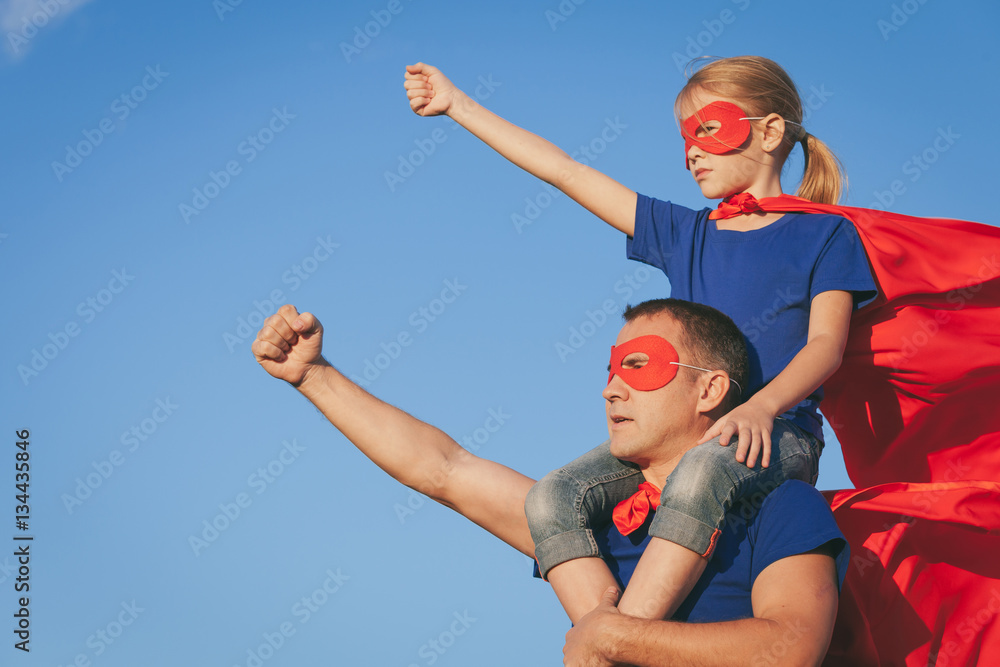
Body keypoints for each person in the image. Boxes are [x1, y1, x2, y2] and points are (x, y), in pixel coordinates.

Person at [403, 56, 877, 621]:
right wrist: (458, 104)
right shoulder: (685, 233)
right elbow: (567, 171)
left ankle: (628, 635)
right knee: (552, 496)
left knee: (704, 469)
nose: (692, 151)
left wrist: (762, 408)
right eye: (685, 137)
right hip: (679, 436)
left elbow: (826, 344)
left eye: (708, 128)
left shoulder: (826, 234)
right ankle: (601, 631)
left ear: (770, 131)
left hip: (777, 437)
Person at [252, 298, 849, 665]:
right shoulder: (586, 524)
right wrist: (313, 377)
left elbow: (791, 646)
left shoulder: (779, 507)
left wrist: (613, 638)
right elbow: (444, 470)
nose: (612, 388)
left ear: (710, 390)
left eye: (638, 367)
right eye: (610, 371)